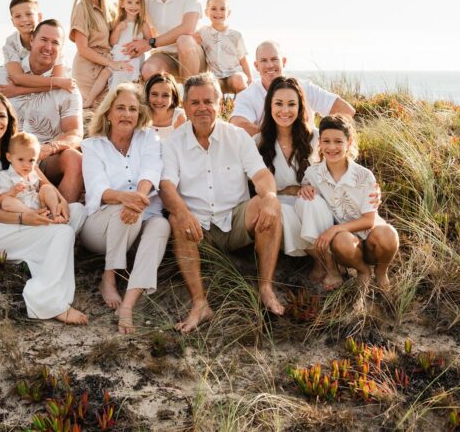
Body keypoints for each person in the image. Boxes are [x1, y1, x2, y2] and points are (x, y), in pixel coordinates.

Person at [159, 73, 285, 333]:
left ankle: (265, 288)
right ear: (185, 106)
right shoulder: (173, 143)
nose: (202, 107)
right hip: (198, 228)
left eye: (208, 100)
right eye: (194, 102)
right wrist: (182, 212)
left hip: (235, 221)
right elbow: (167, 186)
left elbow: (261, 175)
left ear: (220, 103)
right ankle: (200, 304)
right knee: (175, 217)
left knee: (267, 204)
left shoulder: (237, 137)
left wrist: (271, 197)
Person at [0, 94, 88, 324]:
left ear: (10, 120)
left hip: (24, 215)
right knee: (64, 233)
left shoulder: (17, 149)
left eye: (1, 116)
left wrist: (59, 202)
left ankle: (43, 260)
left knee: (77, 210)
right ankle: (45, 301)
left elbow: (43, 183)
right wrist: (25, 218)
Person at [80, 84, 171, 334]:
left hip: (141, 217)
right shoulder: (92, 146)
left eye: (132, 109)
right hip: (100, 228)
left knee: (162, 224)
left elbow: (151, 171)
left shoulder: (149, 138)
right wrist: (128, 200)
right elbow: (100, 190)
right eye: (120, 108)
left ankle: (129, 303)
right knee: (126, 211)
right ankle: (109, 277)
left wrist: (138, 198)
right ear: (108, 113)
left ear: (139, 114)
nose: (126, 114)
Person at [298, 115, 399, 291]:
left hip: (370, 235)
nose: (332, 147)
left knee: (388, 234)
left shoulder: (364, 175)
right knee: (341, 241)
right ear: (319, 143)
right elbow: (305, 186)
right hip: (345, 244)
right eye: (326, 141)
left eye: (338, 141)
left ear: (349, 142)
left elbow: (369, 220)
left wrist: (335, 229)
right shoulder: (313, 174)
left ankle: (381, 272)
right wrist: (303, 188)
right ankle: (362, 270)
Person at [6, 19, 85, 203]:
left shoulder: (67, 88)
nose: (48, 47)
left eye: (55, 42)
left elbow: (75, 132)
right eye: (44, 39)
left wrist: (49, 148)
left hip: (44, 157)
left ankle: (62, 221)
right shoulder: (3, 75)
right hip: (5, 154)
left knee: (75, 158)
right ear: (32, 40)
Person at [255, 76, 328, 259]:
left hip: (313, 204)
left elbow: (341, 169)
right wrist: (288, 190)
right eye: (278, 103)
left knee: (309, 202)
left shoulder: (316, 138)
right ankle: (318, 262)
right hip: (280, 205)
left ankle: (325, 260)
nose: (285, 110)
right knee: (284, 211)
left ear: (300, 106)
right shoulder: (257, 143)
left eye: (291, 104)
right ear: (270, 106)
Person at [230, 41, 355, 136]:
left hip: (306, 155)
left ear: (283, 62)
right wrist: (277, 139)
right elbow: (237, 125)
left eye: (274, 59)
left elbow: (346, 110)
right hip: (267, 158)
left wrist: (320, 138)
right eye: (263, 61)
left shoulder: (305, 87)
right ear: (256, 66)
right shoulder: (248, 95)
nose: (269, 65)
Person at [0, 0, 74, 97]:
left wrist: (17, 90)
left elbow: (59, 80)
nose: (24, 19)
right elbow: (18, 78)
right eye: (18, 16)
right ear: (12, 21)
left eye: (29, 14)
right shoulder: (11, 42)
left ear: (39, 17)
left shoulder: (52, 39)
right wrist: (55, 82)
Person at [69, 0, 132, 109]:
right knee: (94, 115)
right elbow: (83, 48)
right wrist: (112, 64)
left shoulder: (112, 9)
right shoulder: (81, 9)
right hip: (88, 70)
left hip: (109, 67)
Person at [0, 132, 63, 218]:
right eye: (21, 159)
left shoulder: (33, 173)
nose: (26, 165)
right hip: (21, 209)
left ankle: (55, 214)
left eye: (31, 160)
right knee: (6, 202)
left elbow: (44, 187)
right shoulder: (5, 176)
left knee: (47, 187)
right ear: (9, 157)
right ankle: (33, 214)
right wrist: (12, 192)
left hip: (38, 204)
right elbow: (0, 199)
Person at [194, 0, 252, 94]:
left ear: (228, 13)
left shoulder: (236, 36)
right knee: (210, 85)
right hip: (215, 77)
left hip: (234, 74)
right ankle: (219, 108)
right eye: (213, 8)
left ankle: (243, 106)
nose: (218, 12)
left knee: (239, 80)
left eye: (222, 9)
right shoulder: (203, 32)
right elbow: (191, 35)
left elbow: (243, 61)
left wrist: (250, 78)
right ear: (206, 12)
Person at [107, 0, 154, 90]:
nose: (134, 6)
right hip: (119, 56)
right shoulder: (118, 22)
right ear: (122, 4)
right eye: (129, 2)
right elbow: (112, 42)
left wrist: (143, 43)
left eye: (137, 3)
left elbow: (151, 43)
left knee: (132, 77)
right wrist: (118, 29)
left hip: (134, 57)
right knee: (114, 76)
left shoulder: (142, 24)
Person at [145, 72, 186, 140]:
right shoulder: (141, 114)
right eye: (154, 94)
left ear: (173, 98)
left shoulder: (179, 117)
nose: (159, 100)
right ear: (147, 95)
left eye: (165, 95)